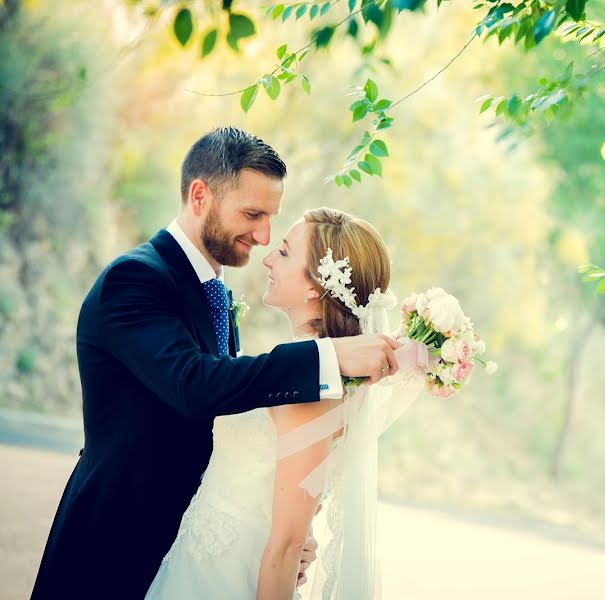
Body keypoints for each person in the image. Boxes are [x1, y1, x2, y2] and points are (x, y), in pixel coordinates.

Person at [31, 128, 400, 600]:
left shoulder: (216, 296)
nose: (264, 236)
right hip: (112, 549)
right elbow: (194, 384)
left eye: (271, 219)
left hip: (189, 558)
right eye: (252, 214)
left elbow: (231, 422)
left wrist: (274, 533)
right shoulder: (136, 280)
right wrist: (324, 356)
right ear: (200, 195)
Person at [145, 207, 408, 599]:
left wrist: (296, 542)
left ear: (314, 288)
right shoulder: (303, 369)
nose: (267, 256)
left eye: (284, 252)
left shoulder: (313, 388)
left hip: (228, 576)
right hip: (203, 558)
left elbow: (286, 545)